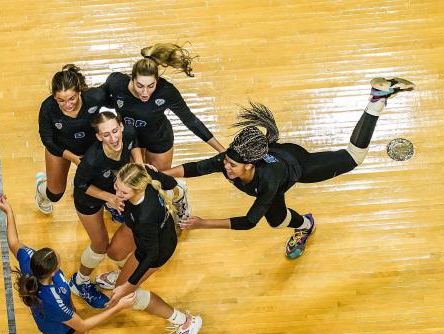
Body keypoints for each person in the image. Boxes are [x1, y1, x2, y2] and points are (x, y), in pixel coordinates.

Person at [168, 77, 415, 258]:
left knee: (353, 158)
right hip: (276, 156)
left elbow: (249, 221)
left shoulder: (268, 182)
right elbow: (194, 168)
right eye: (226, 162)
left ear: (250, 165)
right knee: (276, 221)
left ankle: (376, 101)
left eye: (232, 165)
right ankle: (304, 224)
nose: (226, 167)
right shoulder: (229, 160)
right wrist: (157, 174)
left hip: (297, 164)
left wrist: (203, 223)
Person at [0, 194, 136, 334]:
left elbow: (13, 242)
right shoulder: (53, 299)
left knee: (66, 329)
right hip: (56, 324)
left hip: (47, 318)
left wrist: (9, 212)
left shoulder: (29, 261)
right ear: (54, 271)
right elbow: (83, 325)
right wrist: (119, 307)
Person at [104, 164, 203, 334]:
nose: (117, 192)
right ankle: (123, 277)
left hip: (155, 251)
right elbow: (172, 182)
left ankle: (185, 321)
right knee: (118, 262)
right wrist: (155, 171)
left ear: (139, 188)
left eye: (122, 191)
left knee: (124, 296)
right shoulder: (144, 175)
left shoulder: (145, 217)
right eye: (116, 186)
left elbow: (150, 255)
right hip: (153, 237)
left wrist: (128, 285)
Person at [103, 43, 224, 172]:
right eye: (140, 86)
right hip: (128, 139)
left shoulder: (166, 91)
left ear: (157, 80)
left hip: (158, 139)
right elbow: (98, 99)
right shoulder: (116, 83)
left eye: (151, 86)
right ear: (132, 79)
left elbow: (190, 120)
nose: (145, 92)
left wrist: (222, 151)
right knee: (134, 181)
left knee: (160, 179)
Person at [67, 111, 142, 308]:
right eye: (106, 134)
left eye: (115, 131)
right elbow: (81, 185)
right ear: (99, 136)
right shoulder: (92, 160)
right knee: (100, 244)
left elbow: (135, 145)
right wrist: (109, 198)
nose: (113, 137)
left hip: (113, 190)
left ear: (121, 127)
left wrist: (140, 165)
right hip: (89, 198)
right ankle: (80, 282)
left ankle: (120, 267)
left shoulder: (130, 133)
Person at [35, 64, 108, 215]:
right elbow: (47, 140)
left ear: (79, 92)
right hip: (59, 148)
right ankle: (41, 187)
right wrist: (73, 158)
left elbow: (118, 94)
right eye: (60, 100)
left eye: (72, 98)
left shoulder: (95, 97)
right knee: (55, 194)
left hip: (91, 148)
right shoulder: (48, 108)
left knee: (103, 182)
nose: (67, 105)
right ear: (54, 96)